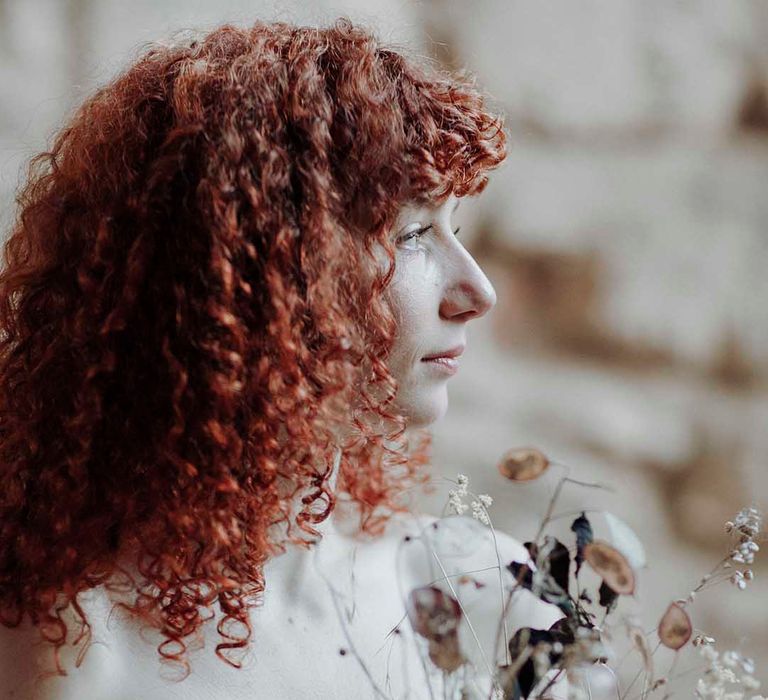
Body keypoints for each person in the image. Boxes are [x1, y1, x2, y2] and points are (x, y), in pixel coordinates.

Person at [0, 18, 565, 699]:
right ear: (257, 282)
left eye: (456, 229)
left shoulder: (484, 598)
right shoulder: (79, 661)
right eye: (414, 234)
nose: (478, 290)